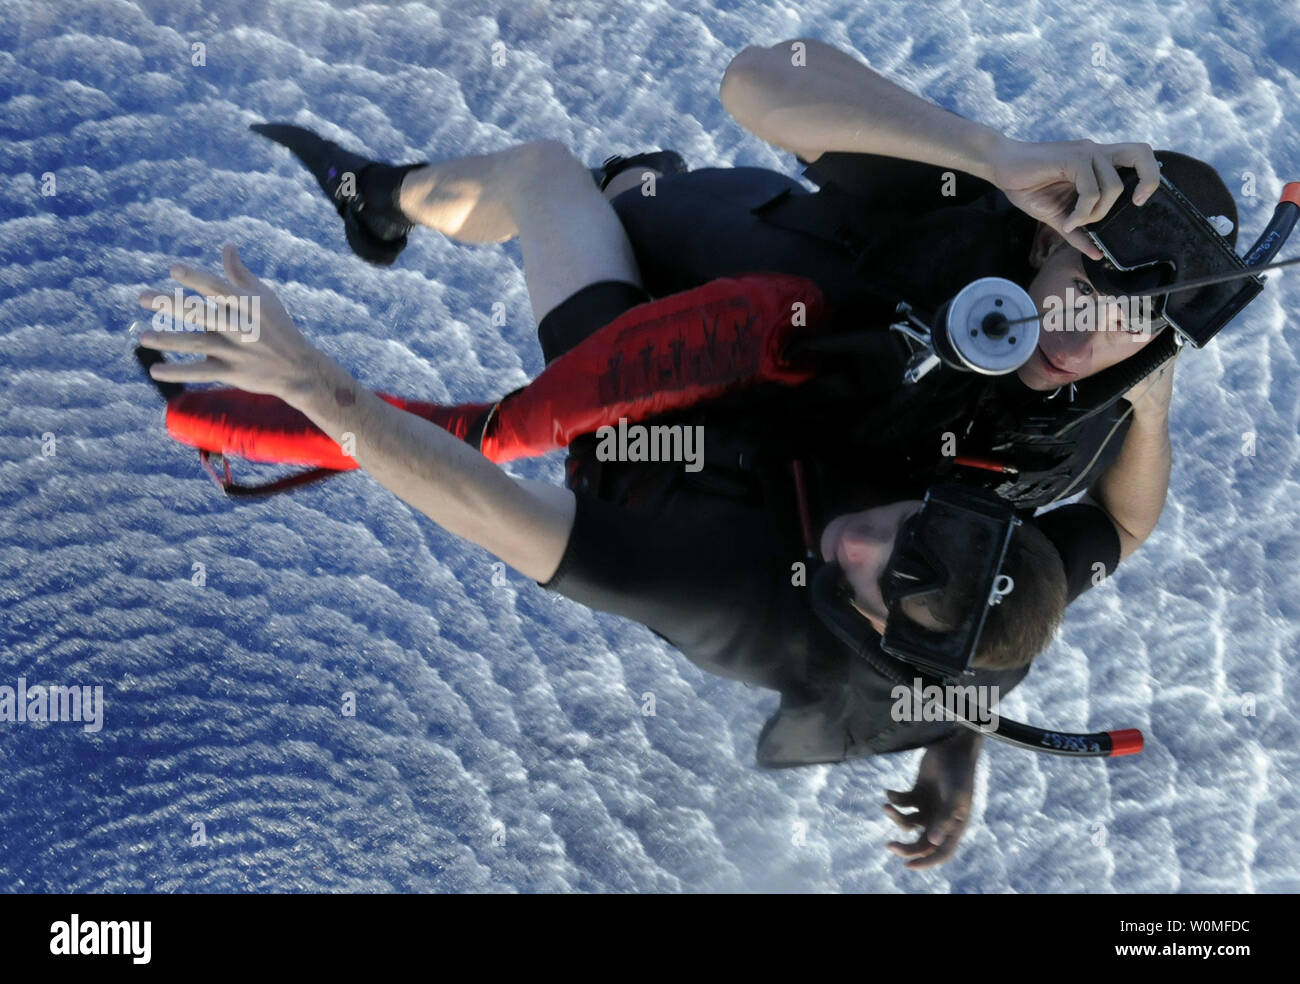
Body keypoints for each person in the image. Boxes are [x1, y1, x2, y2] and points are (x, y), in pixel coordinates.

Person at [136, 121, 1091, 866]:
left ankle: (373, 209)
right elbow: (1071, 566)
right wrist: (957, 744)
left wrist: (304, 377)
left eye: (881, 579)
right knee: (684, 218)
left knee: (543, 181)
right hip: (768, 397)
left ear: (880, 635)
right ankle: (629, 192)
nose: (860, 541)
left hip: (643, 444)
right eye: (909, 527)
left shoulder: (719, 591)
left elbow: (473, 498)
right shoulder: (974, 576)